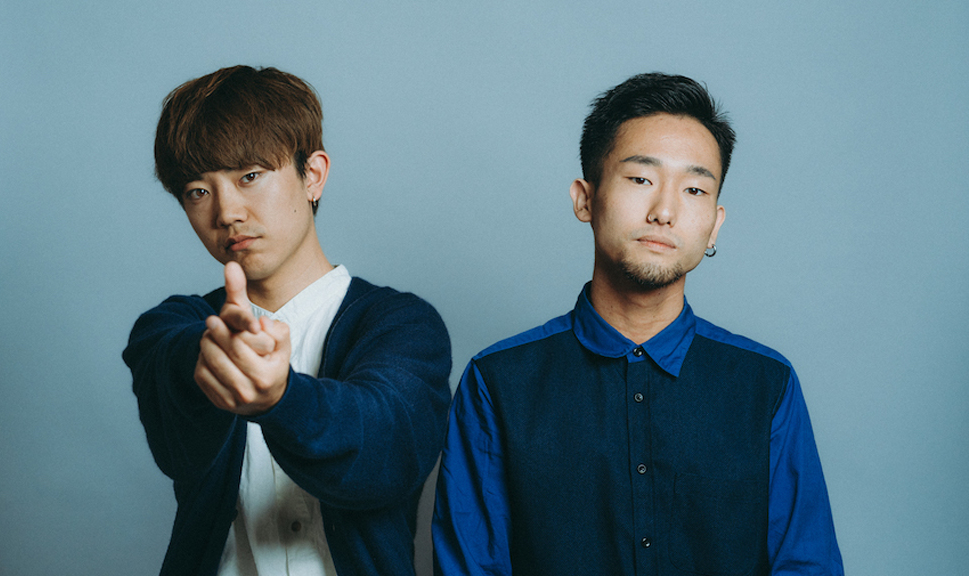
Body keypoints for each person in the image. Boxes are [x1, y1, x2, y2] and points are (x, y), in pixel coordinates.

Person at [432, 72, 843, 575]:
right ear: (585, 199)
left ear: (715, 224)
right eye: (641, 179)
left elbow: (807, 564)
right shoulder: (498, 381)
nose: (665, 211)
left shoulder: (766, 384)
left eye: (694, 189)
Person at [123, 65, 452, 576]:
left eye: (249, 176)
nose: (227, 212)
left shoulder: (402, 325)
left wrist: (282, 399)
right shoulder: (174, 327)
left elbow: (385, 456)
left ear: (313, 175)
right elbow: (175, 431)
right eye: (197, 191)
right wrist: (211, 357)